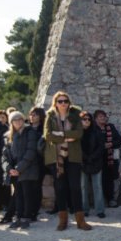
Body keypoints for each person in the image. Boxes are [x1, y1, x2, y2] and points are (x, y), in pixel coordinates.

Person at [43, 91, 91, 231]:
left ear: (69, 102)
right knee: (60, 188)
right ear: (55, 103)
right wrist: (67, 138)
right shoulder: (50, 116)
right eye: (60, 101)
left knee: (75, 188)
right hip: (56, 158)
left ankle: (80, 221)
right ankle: (63, 221)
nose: (63, 103)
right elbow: (47, 135)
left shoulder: (75, 115)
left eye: (65, 101)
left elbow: (79, 133)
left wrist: (60, 134)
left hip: (73, 156)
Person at [2, 111, 40, 229]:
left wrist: (19, 168)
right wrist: (9, 168)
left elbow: (31, 152)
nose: (18, 122)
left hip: (27, 169)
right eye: (15, 119)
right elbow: (4, 155)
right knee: (18, 194)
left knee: (27, 194)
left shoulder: (30, 132)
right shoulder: (8, 136)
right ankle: (18, 217)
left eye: (20, 119)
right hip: (14, 170)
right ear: (11, 122)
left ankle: (26, 217)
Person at [79, 111, 105, 218]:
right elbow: (76, 148)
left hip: (95, 162)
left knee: (97, 186)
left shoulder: (97, 131)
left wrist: (92, 157)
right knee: (83, 186)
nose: (87, 121)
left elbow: (101, 147)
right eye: (84, 119)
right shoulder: (78, 132)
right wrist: (85, 157)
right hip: (83, 162)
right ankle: (85, 209)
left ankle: (100, 210)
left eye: (89, 119)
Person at [94, 109, 121, 208]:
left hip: (110, 159)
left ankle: (110, 199)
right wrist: (102, 146)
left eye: (104, 116)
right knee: (98, 181)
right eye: (100, 117)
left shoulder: (111, 127)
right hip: (97, 159)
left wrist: (111, 144)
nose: (103, 118)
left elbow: (119, 141)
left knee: (110, 180)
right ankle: (99, 201)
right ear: (96, 119)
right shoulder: (93, 129)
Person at [27, 106, 46, 220]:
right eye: (31, 114)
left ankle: (35, 210)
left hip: (39, 161)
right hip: (27, 162)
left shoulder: (44, 129)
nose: (32, 117)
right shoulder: (26, 128)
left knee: (37, 186)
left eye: (35, 115)